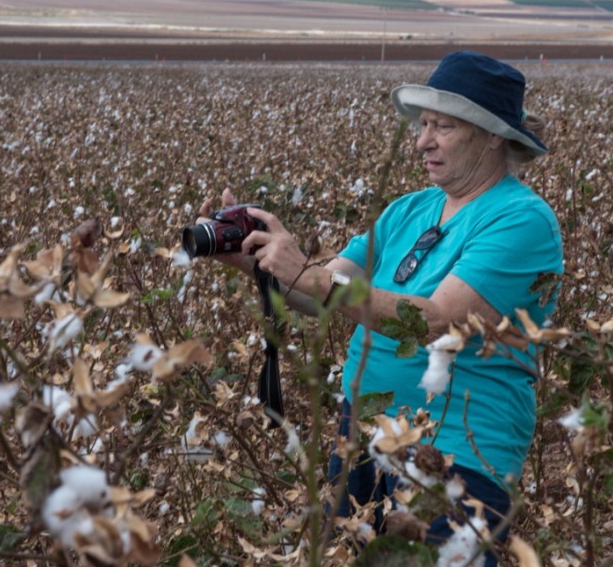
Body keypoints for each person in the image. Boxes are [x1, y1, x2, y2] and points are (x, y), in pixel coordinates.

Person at [198, 50, 563, 562]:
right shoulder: (409, 210)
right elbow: (321, 297)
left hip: (456, 454)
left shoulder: (521, 220)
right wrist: (256, 262)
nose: (422, 141)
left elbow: (435, 320)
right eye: (422, 124)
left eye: (443, 127)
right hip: (363, 438)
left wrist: (308, 272)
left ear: (492, 135)